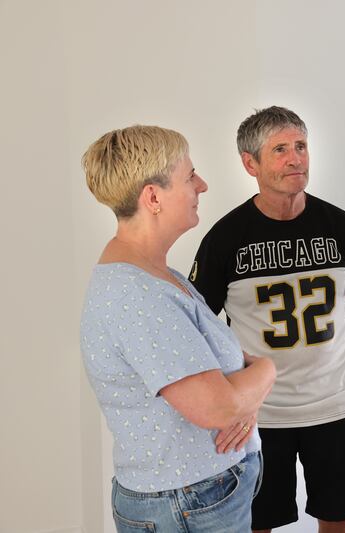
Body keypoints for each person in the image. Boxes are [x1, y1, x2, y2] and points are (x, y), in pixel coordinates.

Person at [190, 106, 345, 533]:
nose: (295, 158)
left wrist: (327, 357)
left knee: (338, 517)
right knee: (257, 521)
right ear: (250, 163)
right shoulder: (225, 238)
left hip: (335, 406)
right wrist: (235, 391)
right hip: (261, 415)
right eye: (280, 149)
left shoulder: (340, 226)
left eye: (300, 146)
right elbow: (198, 329)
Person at [80, 125, 277, 532]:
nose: (201, 185)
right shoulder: (138, 295)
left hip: (194, 499)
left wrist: (245, 395)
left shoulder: (157, 276)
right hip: (188, 505)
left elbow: (226, 381)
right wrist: (266, 373)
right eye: (190, 177)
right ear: (153, 198)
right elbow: (217, 407)